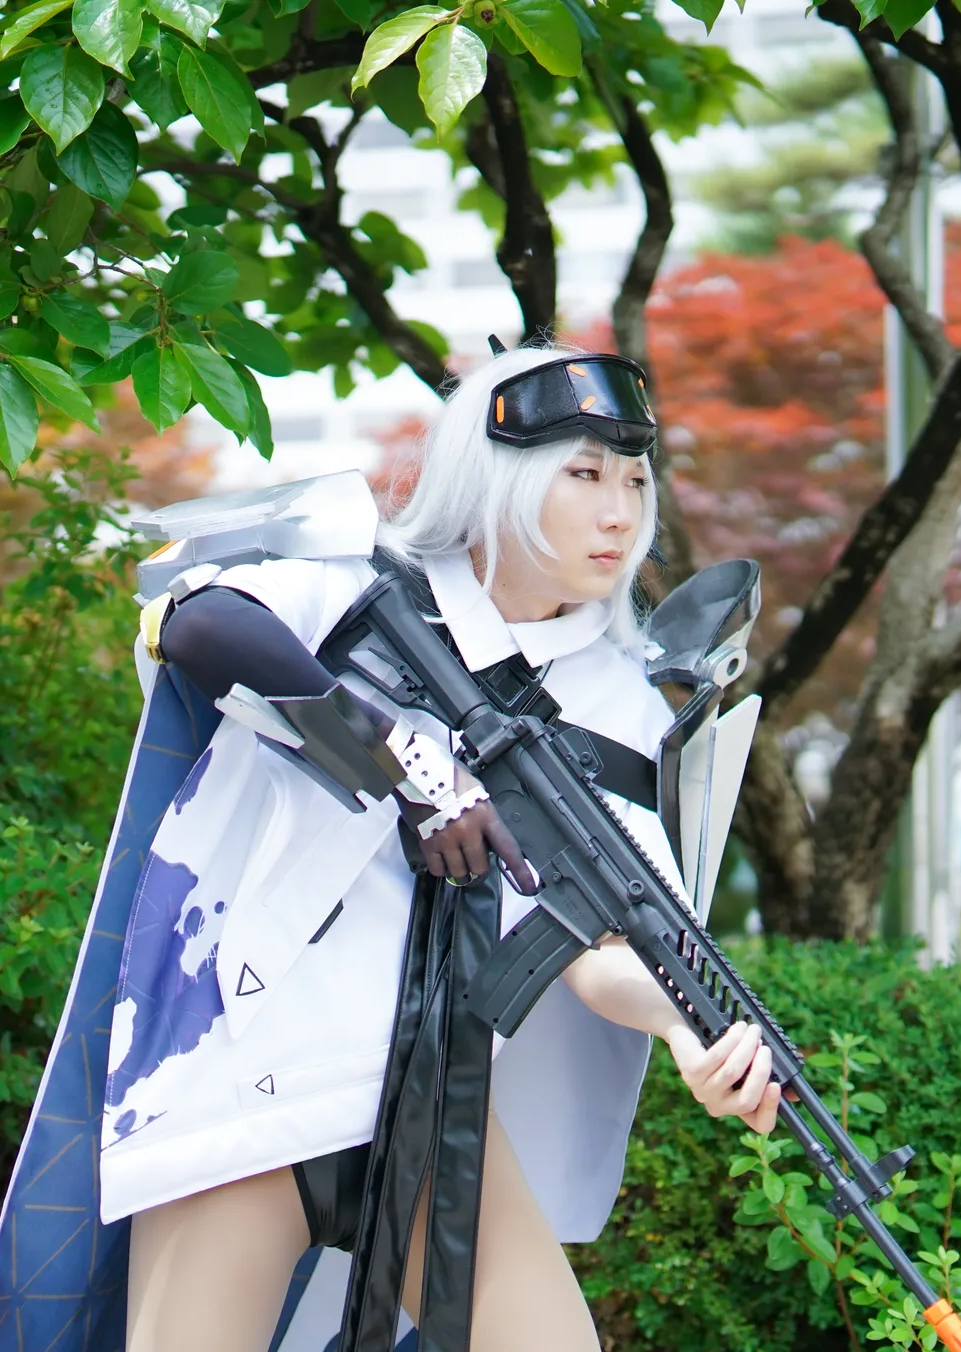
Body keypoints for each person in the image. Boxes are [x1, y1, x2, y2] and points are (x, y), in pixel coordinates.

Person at [104, 339, 782, 1352]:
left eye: (635, 482)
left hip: (434, 1097)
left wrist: (691, 1029)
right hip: (246, 1066)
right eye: (583, 475)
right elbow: (197, 623)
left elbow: (604, 938)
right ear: (493, 475)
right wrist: (404, 764)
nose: (617, 513)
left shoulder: (621, 706)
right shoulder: (356, 584)